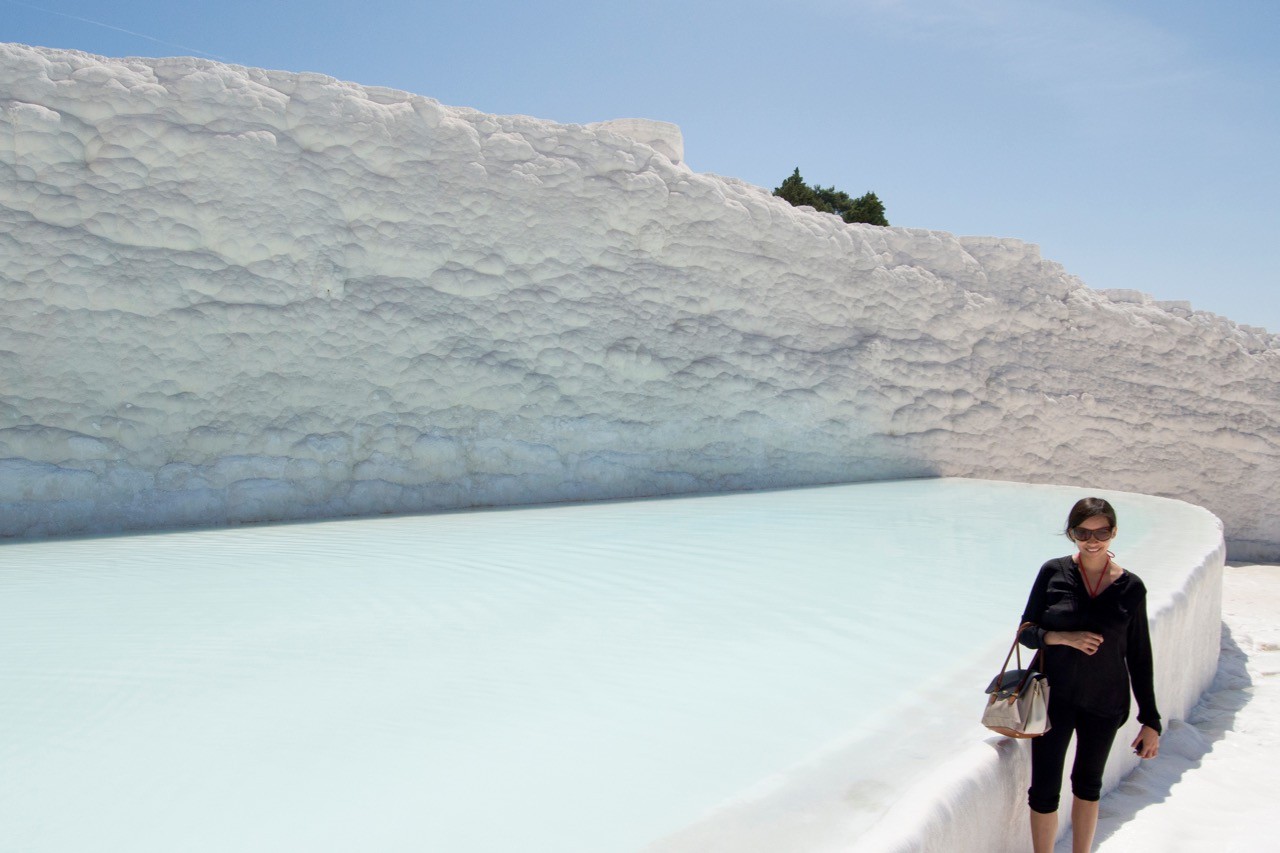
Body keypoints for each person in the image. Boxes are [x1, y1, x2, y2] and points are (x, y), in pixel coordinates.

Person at [1018, 497, 1161, 853]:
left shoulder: (1131, 588)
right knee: (1044, 788)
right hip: (1053, 699)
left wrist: (1151, 720)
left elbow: (1140, 656)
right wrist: (1061, 637)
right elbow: (1026, 632)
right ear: (1071, 533)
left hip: (1105, 701)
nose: (1092, 539)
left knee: (1087, 785)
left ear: (1113, 533)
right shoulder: (1053, 572)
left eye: (1101, 532)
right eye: (1083, 531)